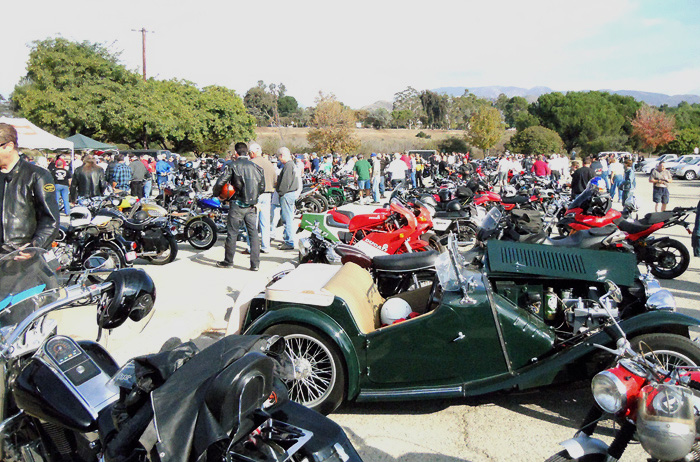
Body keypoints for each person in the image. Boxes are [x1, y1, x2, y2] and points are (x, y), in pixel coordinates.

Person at [0, 123, 60, 253]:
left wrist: (34, 247)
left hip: (20, 256)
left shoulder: (38, 175)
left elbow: (50, 220)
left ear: (9, 146)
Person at [213, 142, 265, 270]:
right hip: (251, 205)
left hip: (237, 203)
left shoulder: (233, 166)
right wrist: (254, 197)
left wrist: (217, 194)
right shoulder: (257, 167)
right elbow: (262, 187)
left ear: (236, 153)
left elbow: (221, 182)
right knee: (253, 234)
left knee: (232, 233)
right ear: (247, 152)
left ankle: (228, 261)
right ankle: (255, 264)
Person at [249, 142, 276, 254]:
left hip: (255, 194)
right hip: (268, 193)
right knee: (265, 222)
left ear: (252, 153)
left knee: (252, 222)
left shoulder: (250, 163)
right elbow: (275, 179)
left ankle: (251, 246)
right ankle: (266, 246)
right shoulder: (269, 163)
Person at [275, 147, 299, 251]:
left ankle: (289, 241)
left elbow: (285, 183)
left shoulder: (288, 166)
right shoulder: (291, 165)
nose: (279, 160)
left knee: (287, 218)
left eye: (279, 157)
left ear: (282, 155)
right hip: (290, 194)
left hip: (286, 195)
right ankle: (287, 239)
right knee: (288, 218)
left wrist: (280, 192)